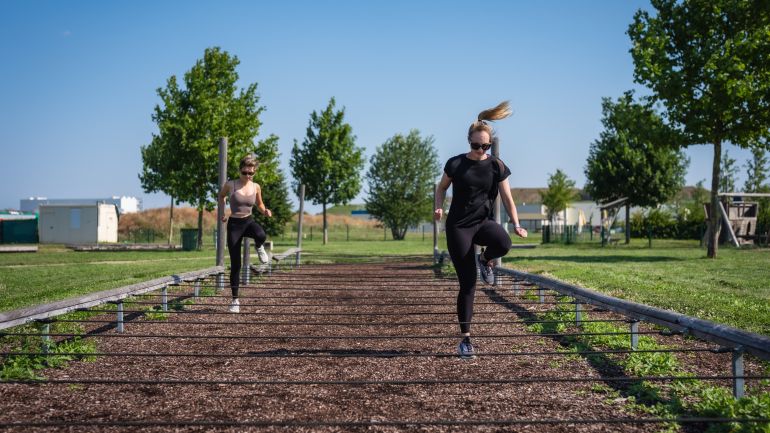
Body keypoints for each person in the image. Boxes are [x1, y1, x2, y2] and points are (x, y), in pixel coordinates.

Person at [433, 101, 528, 359]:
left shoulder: (497, 166)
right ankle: (465, 340)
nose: (480, 150)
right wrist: (439, 207)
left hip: (482, 223)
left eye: (485, 146)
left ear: (490, 145)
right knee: (468, 284)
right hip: (459, 228)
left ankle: (484, 259)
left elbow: (508, 198)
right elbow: (441, 188)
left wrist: (517, 223)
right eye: (476, 145)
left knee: (504, 244)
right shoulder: (455, 164)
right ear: (468, 142)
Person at [217, 155, 272, 313]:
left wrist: (265, 211)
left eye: (251, 173)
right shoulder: (231, 184)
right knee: (236, 265)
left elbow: (260, 204)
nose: (248, 176)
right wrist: (223, 212)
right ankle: (235, 301)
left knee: (261, 235)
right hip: (234, 225)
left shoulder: (256, 187)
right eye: (245, 172)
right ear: (240, 170)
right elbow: (221, 196)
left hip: (248, 221)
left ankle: (259, 247)